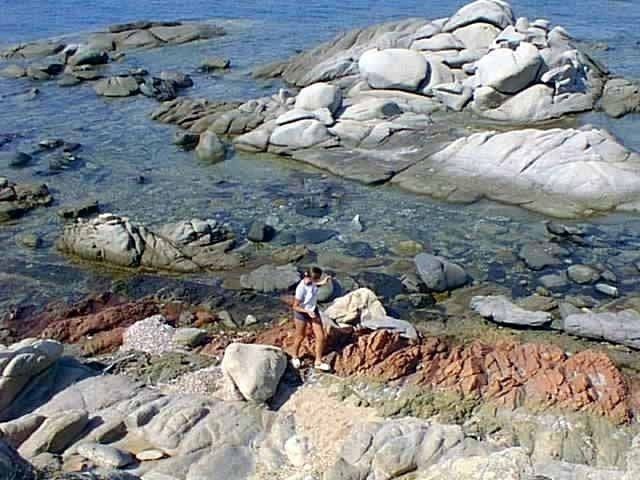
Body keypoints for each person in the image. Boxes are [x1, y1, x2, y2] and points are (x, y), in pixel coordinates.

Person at [291, 266, 332, 371]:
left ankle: (318, 361)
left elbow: (315, 285)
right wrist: (307, 312)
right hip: (302, 313)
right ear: (308, 276)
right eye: (316, 279)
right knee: (300, 336)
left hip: (313, 310)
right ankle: (294, 356)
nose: (316, 281)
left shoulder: (312, 281)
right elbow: (295, 306)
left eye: (318, 279)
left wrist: (324, 282)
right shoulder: (301, 288)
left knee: (321, 336)